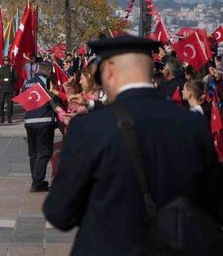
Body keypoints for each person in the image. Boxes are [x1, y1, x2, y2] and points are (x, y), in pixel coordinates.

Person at [43, 35, 220, 255]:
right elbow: (212, 202)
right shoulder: (193, 124)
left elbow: (60, 212)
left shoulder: (89, 128)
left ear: (108, 72)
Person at [22, 61, 56, 192]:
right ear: (48, 71)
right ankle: (37, 182)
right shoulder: (45, 83)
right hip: (44, 121)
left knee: (33, 153)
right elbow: (51, 101)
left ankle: (36, 180)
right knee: (44, 152)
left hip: (29, 122)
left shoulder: (28, 83)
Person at [0, 56, 18, 124]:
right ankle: (2, 117)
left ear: (9, 61)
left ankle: (9, 117)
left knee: (10, 104)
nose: (6, 62)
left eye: (7, 61)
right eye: (5, 61)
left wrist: (12, 80)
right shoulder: (1, 69)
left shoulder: (12, 68)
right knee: (1, 102)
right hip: (3, 88)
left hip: (10, 88)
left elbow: (16, 77)